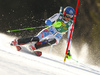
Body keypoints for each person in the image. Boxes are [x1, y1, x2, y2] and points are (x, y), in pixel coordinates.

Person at [11, 6, 75, 59]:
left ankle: (34, 46)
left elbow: (69, 38)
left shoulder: (70, 24)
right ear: (64, 13)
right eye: (67, 15)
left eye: (70, 16)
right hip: (49, 30)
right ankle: (17, 41)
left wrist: (68, 51)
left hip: (57, 36)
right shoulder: (58, 16)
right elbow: (48, 20)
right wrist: (49, 22)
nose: (68, 18)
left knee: (53, 41)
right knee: (37, 39)